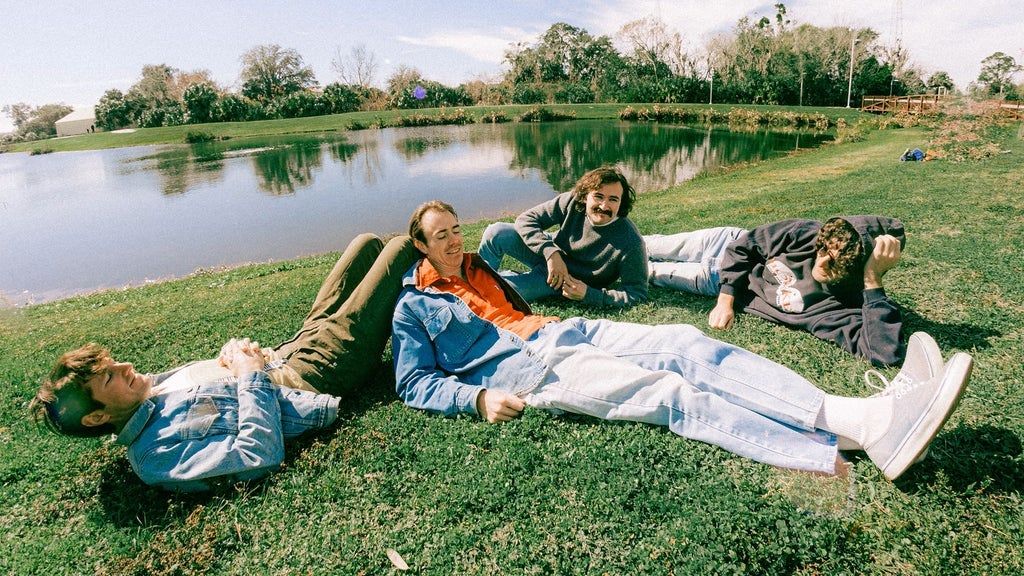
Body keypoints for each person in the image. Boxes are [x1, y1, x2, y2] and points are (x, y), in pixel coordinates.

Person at [392, 201, 971, 481]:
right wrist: (476, 398)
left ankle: (859, 423)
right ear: (421, 245)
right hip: (532, 372)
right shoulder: (413, 307)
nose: (454, 241)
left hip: (561, 331)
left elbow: (516, 291)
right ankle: (846, 438)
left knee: (687, 344)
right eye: (441, 236)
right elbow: (413, 382)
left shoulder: (479, 267)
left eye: (456, 230)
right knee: (671, 393)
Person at [29, 233, 418, 492]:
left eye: (113, 363)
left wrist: (232, 353)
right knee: (403, 247)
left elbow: (215, 383)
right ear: (97, 417)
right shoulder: (156, 456)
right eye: (110, 377)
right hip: (316, 371)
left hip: (291, 346)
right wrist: (250, 374)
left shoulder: (150, 390)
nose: (126, 366)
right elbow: (256, 455)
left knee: (367, 243)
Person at [646, 216, 906, 366]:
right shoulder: (807, 233)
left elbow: (882, 353)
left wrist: (872, 279)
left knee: (645, 272)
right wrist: (725, 300)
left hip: (710, 279)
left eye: (838, 262)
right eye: (824, 249)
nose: (822, 260)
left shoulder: (842, 307)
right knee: (648, 244)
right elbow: (743, 246)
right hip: (724, 244)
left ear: (860, 269)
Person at [477, 166, 648, 307]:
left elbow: (636, 294)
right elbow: (526, 219)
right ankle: (471, 278)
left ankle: (495, 282)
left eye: (613, 199)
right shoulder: (572, 202)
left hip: (562, 282)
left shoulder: (631, 242)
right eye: (598, 196)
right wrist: (551, 252)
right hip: (550, 257)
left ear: (621, 202)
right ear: (585, 196)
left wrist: (589, 294)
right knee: (496, 232)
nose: (604, 206)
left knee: (495, 291)